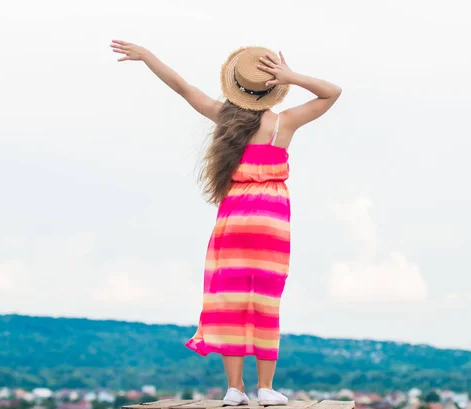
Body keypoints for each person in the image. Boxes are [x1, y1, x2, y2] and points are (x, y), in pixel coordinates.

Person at [110, 40, 341, 406]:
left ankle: (235, 389)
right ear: (271, 88)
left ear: (236, 86)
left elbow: (183, 87)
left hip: (234, 222)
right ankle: (266, 388)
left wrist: (149, 56)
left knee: (231, 301)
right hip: (272, 225)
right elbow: (332, 93)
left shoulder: (225, 119)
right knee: (265, 303)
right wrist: (291, 75)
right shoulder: (283, 123)